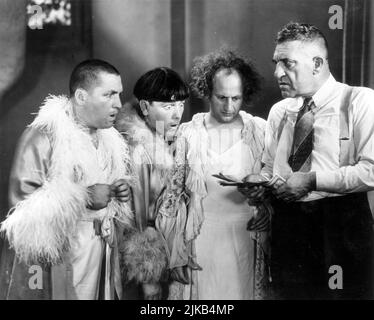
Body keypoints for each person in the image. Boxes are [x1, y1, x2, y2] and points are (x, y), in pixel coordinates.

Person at [248, 22, 374, 299]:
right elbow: (270, 168)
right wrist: (260, 182)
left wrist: (312, 180)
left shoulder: (360, 102)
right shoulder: (280, 111)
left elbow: (371, 172)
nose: (277, 72)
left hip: (341, 228)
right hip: (289, 227)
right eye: (276, 63)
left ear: (317, 64)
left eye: (287, 63)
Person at [0, 59, 133, 300]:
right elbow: (22, 213)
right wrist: (82, 198)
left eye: (119, 94)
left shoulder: (109, 139)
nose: (118, 104)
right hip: (62, 257)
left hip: (100, 252)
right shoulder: (43, 136)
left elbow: (107, 192)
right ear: (81, 96)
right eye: (109, 95)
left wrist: (118, 191)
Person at [166, 49, 271, 300]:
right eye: (221, 97)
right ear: (206, 92)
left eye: (236, 98)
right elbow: (172, 198)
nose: (228, 106)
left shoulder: (261, 131)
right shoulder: (187, 133)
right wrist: (177, 253)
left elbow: (276, 182)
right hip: (200, 240)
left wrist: (265, 205)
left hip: (244, 237)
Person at [115, 67, 191, 300]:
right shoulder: (139, 149)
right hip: (150, 261)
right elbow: (141, 224)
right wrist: (149, 278)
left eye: (180, 104)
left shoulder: (164, 138)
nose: (177, 114)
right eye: (168, 106)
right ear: (146, 107)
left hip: (171, 249)